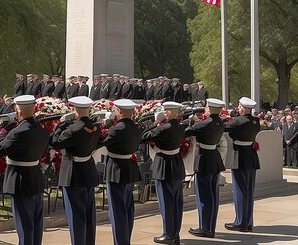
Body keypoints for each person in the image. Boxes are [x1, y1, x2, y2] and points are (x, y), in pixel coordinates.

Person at [0, 95, 50, 245]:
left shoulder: (17, 132)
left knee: (24, 226)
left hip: (20, 181)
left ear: (18, 112)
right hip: (36, 179)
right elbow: (43, 154)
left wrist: (2, 130)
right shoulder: (42, 131)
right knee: (36, 224)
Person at [50, 96, 100, 245]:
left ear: (74, 110)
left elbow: (55, 142)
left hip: (74, 174)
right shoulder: (95, 127)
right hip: (88, 171)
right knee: (88, 214)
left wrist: (61, 124)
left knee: (76, 215)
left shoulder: (73, 130)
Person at [97, 98, 142, 245]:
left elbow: (100, 143)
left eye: (115, 110)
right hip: (129, 166)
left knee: (117, 211)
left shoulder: (117, 129)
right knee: (128, 208)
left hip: (116, 169)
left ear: (120, 111)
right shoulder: (136, 127)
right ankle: (125, 240)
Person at [140, 101, 185, 245]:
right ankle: (175, 234)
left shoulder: (164, 128)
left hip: (164, 166)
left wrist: (155, 123)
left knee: (166, 203)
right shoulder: (180, 127)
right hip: (177, 165)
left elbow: (144, 136)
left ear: (169, 112)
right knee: (176, 203)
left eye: (166, 111)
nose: (164, 113)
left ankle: (168, 234)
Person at [185, 98, 226, 238]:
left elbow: (188, 130)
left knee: (204, 196)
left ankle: (205, 228)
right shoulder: (219, 122)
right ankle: (211, 227)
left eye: (207, 107)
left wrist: (190, 121)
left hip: (204, 160)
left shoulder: (205, 123)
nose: (206, 109)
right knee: (213, 196)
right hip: (214, 158)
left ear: (210, 108)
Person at [223, 97, 260, 232]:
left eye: (239, 107)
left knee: (240, 190)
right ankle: (248, 221)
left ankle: (241, 222)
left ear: (243, 108)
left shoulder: (237, 121)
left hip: (240, 157)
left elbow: (224, 128)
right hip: (251, 155)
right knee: (249, 191)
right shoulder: (256, 121)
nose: (238, 108)